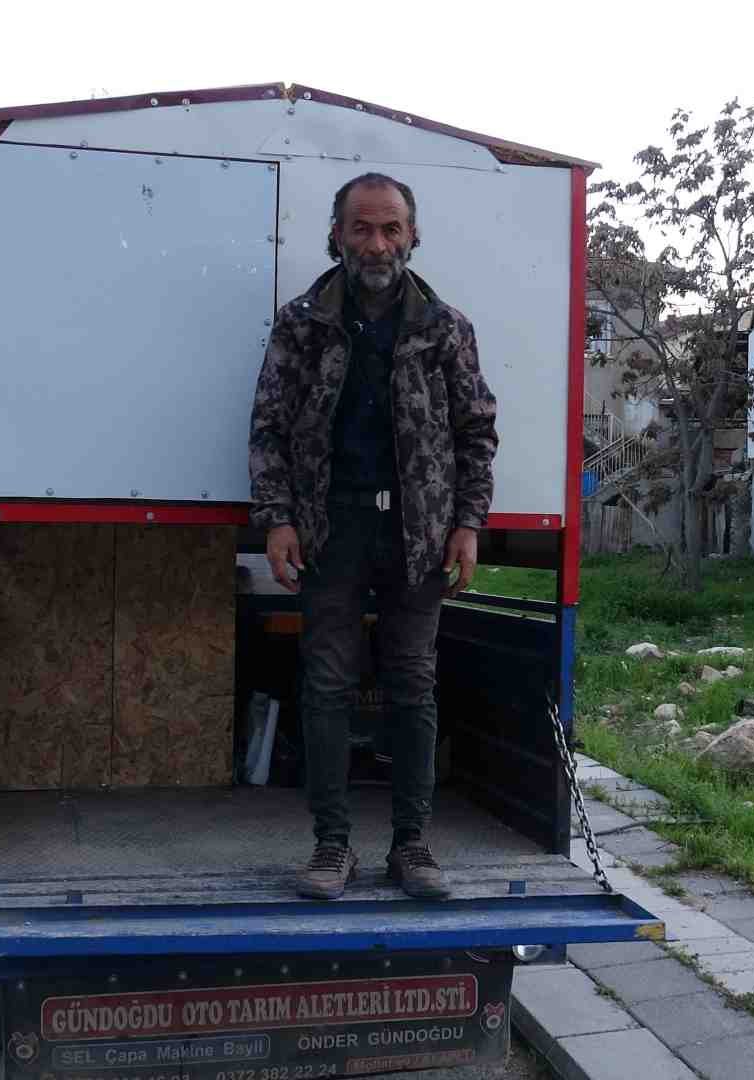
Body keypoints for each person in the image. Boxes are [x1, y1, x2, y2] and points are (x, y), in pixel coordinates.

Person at [248, 173, 499, 901]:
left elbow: (476, 434)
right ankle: (332, 846)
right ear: (337, 236)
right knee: (326, 683)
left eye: (391, 228)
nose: (377, 244)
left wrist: (468, 524)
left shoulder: (445, 328)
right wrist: (278, 518)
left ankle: (412, 846)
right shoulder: (302, 324)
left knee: (412, 685)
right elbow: (269, 428)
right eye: (361, 228)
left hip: (418, 534)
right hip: (330, 528)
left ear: (413, 236)